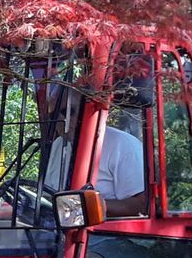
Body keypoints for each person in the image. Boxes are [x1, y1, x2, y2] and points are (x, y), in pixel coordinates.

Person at [43, 82, 150, 217]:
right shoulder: (58, 145)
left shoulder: (122, 145)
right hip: (64, 232)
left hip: (106, 234)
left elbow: (142, 205)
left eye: (69, 112)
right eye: (54, 116)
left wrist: (91, 207)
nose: (62, 120)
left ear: (87, 110)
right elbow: (49, 196)